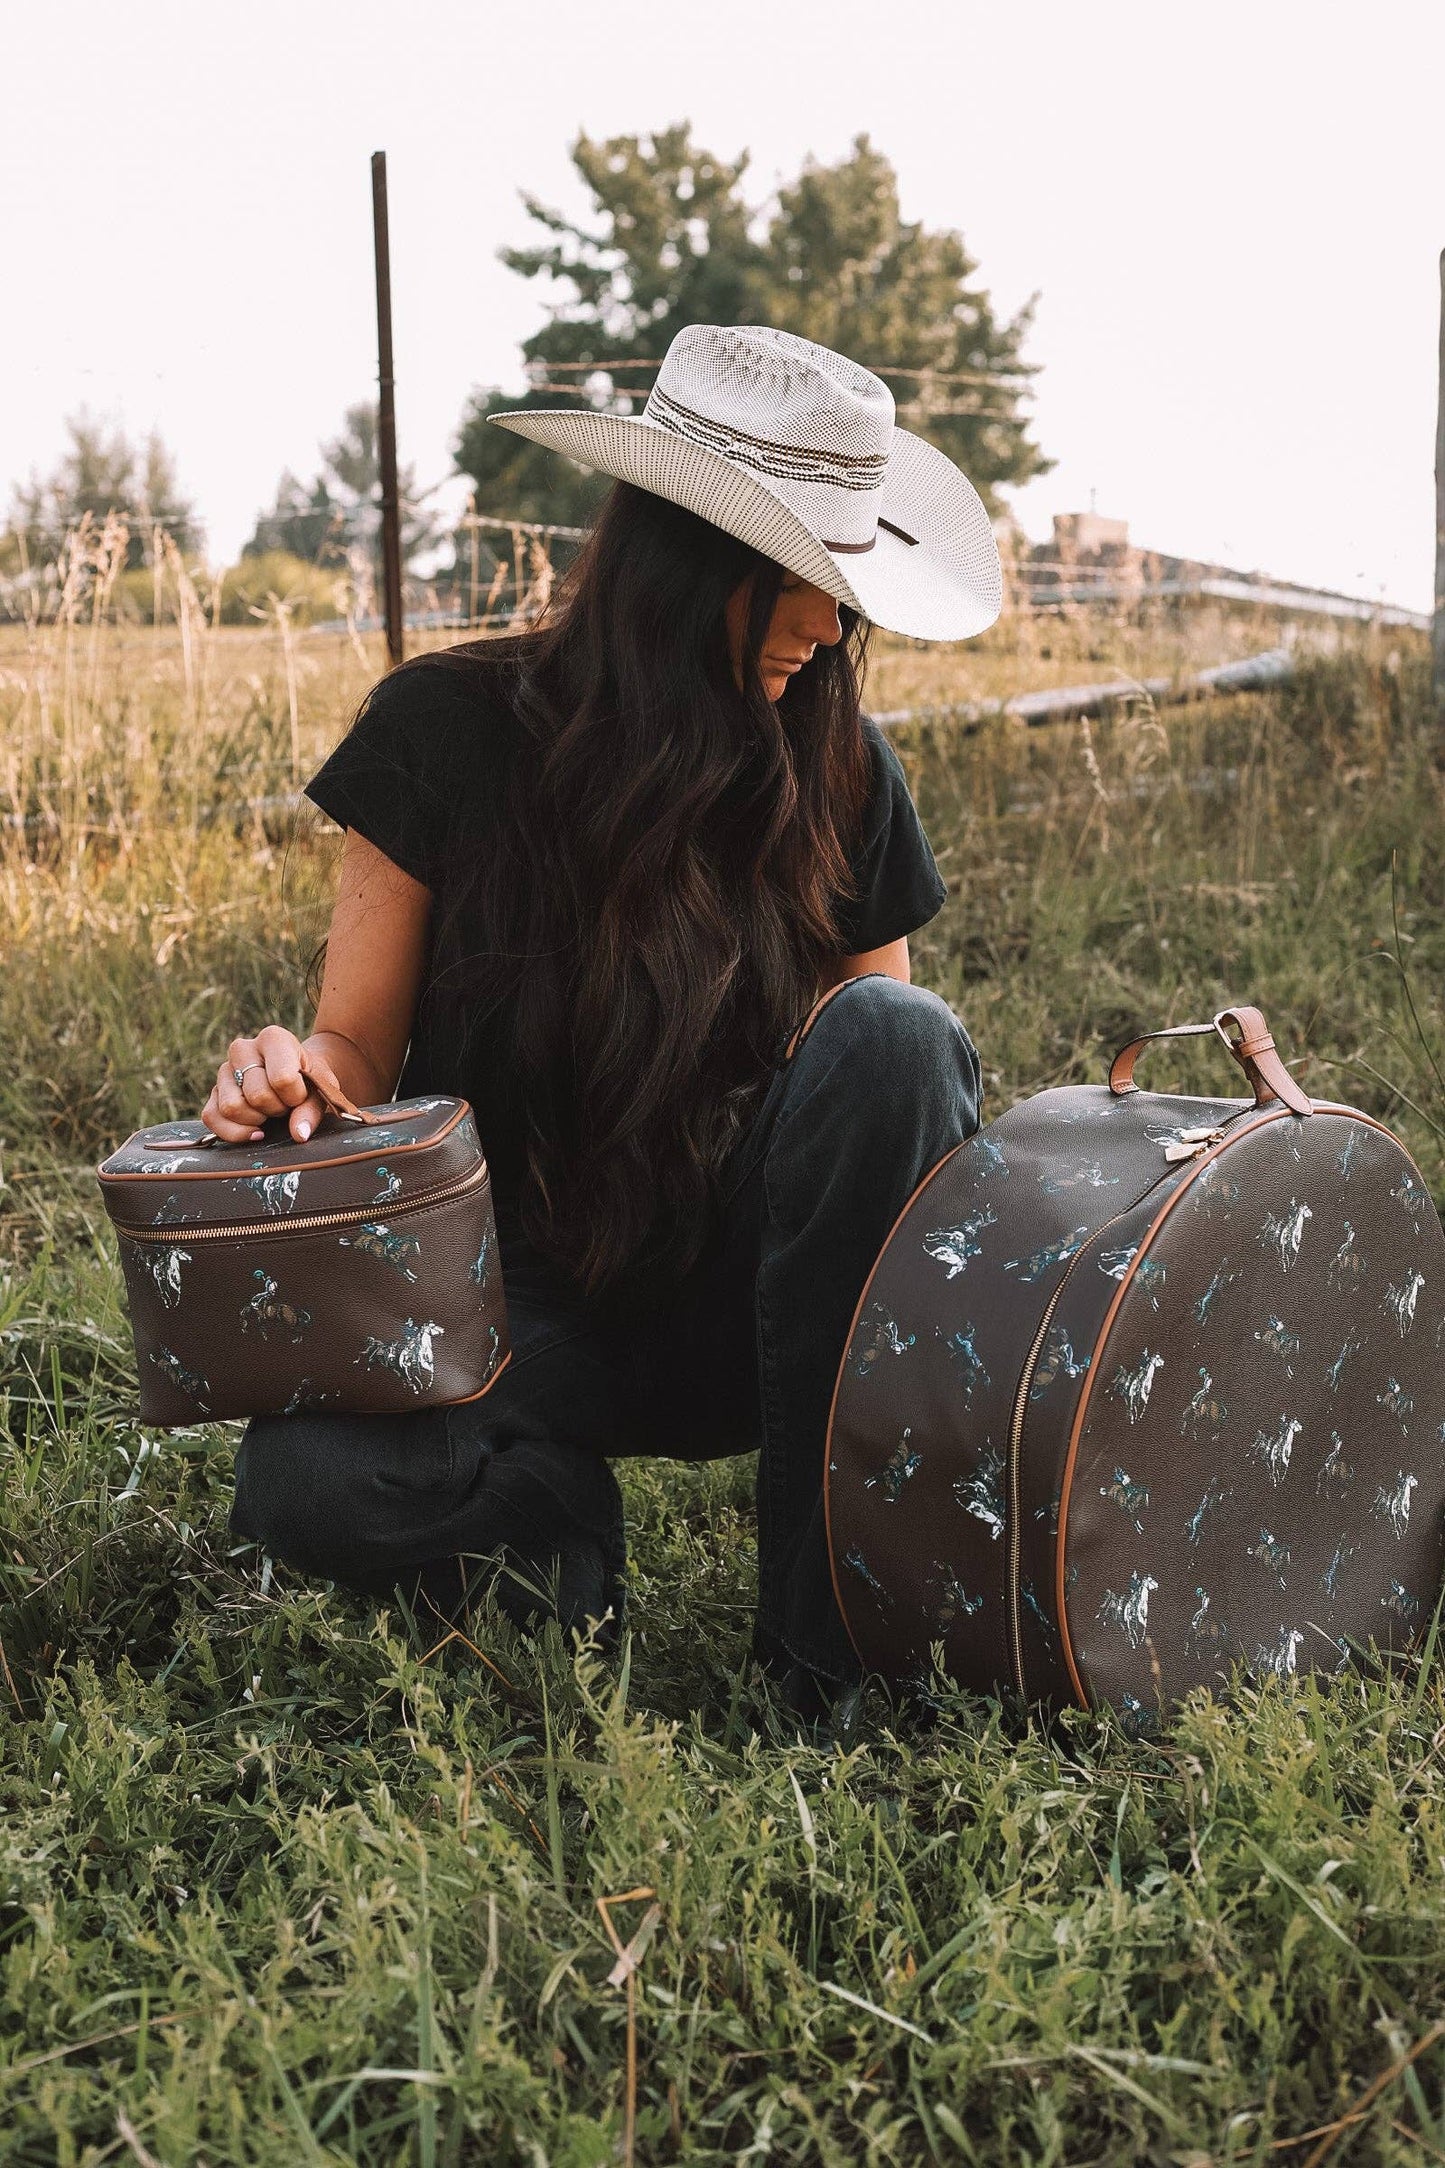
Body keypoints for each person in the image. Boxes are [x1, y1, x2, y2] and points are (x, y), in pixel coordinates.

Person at [207, 323, 1000, 1718]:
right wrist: (284, 1074)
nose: (832, 627)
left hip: (755, 1314)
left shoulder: (841, 766)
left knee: (899, 1038)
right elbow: (353, 1055)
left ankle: (831, 1666)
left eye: (846, 586)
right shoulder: (442, 730)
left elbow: (885, 1092)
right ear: (690, 564)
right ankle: (550, 1538)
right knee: (306, 1482)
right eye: (803, 581)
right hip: (505, 1313)